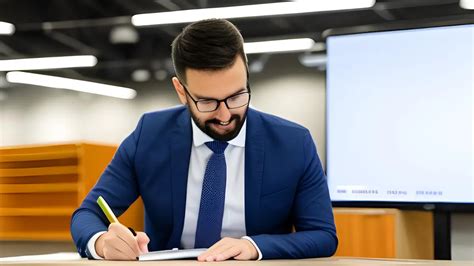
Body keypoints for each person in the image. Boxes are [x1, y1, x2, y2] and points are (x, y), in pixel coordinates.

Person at [70, 18, 337, 261]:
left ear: (246, 74)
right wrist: (102, 242)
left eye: (236, 96)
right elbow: (87, 215)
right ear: (181, 91)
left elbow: (323, 235)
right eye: (207, 102)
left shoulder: (293, 143)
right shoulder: (150, 135)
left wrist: (254, 246)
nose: (225, 115)